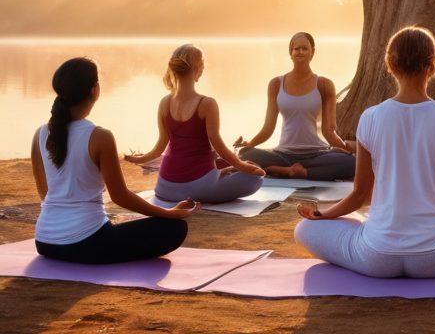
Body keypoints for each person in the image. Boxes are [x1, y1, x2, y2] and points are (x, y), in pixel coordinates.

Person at [294, 26, 435, 277]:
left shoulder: (370, 118)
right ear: (433, 66)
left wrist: (321, 214)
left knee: (304, 229)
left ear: (390, 64)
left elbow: (360, 195)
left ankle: (369, 235)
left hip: (377, 256)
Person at [32, 56, 197, 264]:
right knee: (175, 228)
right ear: (95, 89)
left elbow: (44, 192)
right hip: (87, 243)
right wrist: (169, 213)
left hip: (45, 241)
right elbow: (120, 197)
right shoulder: (100, 136)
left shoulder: (40, 133)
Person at [125, 44, 264, 203]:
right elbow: (218, 145)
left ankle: (222, 173)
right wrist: (242, 167)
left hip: (165, 188)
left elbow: (159, 148)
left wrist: (139, 159)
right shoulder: (207, 104)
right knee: (256, 178)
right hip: (199, 188)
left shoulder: (164, 102)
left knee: (228, 165)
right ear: (198, 71)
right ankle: (221, 174)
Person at [234, 32, 356, 180]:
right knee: (245, 154)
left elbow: (328, 132)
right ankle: (290, 169)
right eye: (296, 48)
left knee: (352, 163)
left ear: (312, 52)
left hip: (316, 154)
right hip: (283, 155)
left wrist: (346, 149)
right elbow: (268, 128)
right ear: (290, 53)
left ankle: (296, 172)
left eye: (305, 48)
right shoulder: (276, 84)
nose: (300, 52)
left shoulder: (324, 84)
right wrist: (249, 144)